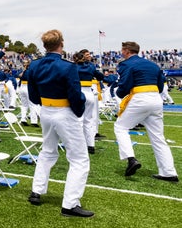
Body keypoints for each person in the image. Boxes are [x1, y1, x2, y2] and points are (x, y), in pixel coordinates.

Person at [26, 30, 92, 217]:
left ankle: (36, 191)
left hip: (46, 110)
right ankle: (70, 204)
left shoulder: (35, 64)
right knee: (79, 159)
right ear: (61, 44)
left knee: (47, 151)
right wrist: (78, 111)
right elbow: (74, 94)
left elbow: (33, 94)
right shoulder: (68, 66)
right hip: (64, 112)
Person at [113, 41, 178, 182]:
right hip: (155, 99)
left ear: (127, 51)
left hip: (140, 98)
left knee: (120, 127)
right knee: (158, 137)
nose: (121, 53)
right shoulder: (153, 64)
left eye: (122, 50)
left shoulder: (126, 64)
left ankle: (131, 159)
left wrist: (118, 92)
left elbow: (124, 86)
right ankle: (169, 172)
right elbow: (160, 87)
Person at [74, 49, 104, 155]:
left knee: (78, 120)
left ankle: (78, 145)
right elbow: (101, 76)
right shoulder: (91, 67)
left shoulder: (73, 67)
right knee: (89, 121)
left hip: (79, 92)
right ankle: (90, 145)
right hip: (89, 93)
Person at [17, 59, 39, 126]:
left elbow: (18, 75)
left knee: (24, 105)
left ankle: (23, 119)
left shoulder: (23, 71)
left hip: (22, 87)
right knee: (32, 105)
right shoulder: (31, 71)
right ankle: (34, 121)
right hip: (28, 87)